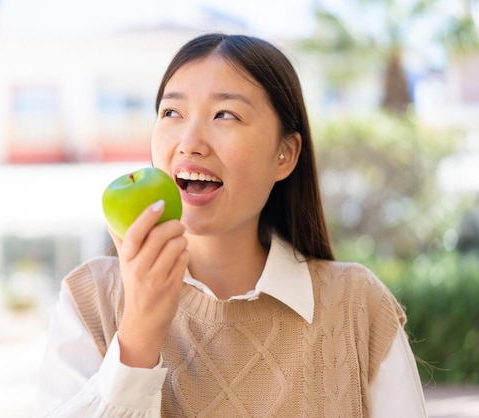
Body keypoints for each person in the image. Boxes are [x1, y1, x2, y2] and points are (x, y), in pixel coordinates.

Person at [33, 32, 427, 417]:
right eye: (172, 112)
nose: (190, 142)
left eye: (225, 114)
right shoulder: (91, 301)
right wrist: (137, 338)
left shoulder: (357, 307)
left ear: (285, 155)